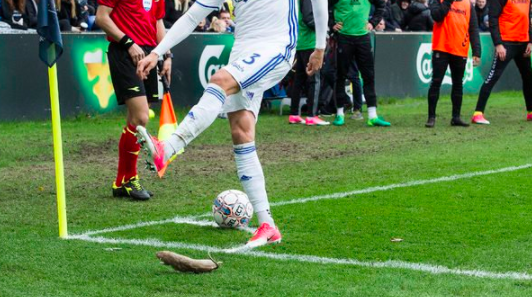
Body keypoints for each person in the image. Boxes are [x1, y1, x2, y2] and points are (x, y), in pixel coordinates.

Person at [134, 0, 328, 247]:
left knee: (220, 80)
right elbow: (192, 17)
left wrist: (320, 46)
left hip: (276, 47)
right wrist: (156, 52)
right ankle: (268, 225)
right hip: (243, 49)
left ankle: (168, 148)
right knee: (241, 131)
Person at [95, 0, 171, 200]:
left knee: (134, 120)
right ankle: (129, 180)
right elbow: (102, 17)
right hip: (124, 52)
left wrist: (166, 55)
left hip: (149, 54)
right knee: (141, 117)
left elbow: (158, 23)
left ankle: (122, 181)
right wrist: (128, 43)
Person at [330, 0, 391, 127]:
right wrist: (331, 24)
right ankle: (340, 114)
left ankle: (373, 116)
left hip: (363, 38)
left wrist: (373, 23)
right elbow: (324, 7)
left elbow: (381, 5)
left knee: (368, 76)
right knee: (340, 76)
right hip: (344, 37)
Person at [472, 0, 532, 124]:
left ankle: (530, 113)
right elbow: (493, 20)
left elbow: (527, 17)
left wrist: (530, 41)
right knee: (492, 77)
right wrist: (498, 44)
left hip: (523, 44)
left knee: (528, 78)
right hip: (506, 44)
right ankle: (478, 114)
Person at [425, 0, 481, 128]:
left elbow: (473, 29)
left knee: (458, 84)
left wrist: (477, 51)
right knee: (436, 82)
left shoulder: (468, 4)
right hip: (441, 48)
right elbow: (437, 17)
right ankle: (431, 117)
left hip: (460, 50)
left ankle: (456, 117)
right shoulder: (439, 1)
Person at [288, 0, 330, 126]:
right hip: (310, 43)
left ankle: (294, 114)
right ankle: (312, 115)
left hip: (300, 42)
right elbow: (308, 18)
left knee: (298, 80)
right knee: (314, 80)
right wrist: (324, 29)